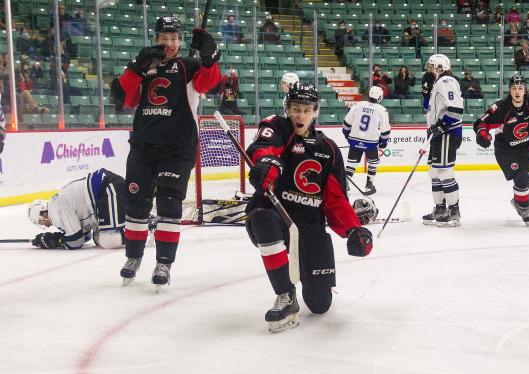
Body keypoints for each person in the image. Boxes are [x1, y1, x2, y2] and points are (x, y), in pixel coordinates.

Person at [245, 84, 372, 332]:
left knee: (319, 305)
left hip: (309, 223)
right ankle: (286, 296)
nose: (300, 115)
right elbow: (264, 148)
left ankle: (308, 286)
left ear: (315, 112)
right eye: (295, 109)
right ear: (287, 109)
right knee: (262, 218)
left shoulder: (328, 149)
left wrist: (353, 230)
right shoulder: (276, 126)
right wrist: (267, 163)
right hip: (277, 212)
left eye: (306, 110)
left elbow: (335, 199)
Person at [110, 16, 221, 287]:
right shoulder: (144, 65)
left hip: (178, 146)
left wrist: (209, 58)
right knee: (136, 202)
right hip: (144, 145)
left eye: (174, 39)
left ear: (181, 41)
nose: (169, 44)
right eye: (164, 38)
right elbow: (123, 97)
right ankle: (133, 257)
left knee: (169, 204)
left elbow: (210, 84)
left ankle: (163, 263)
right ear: (156, 39)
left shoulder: (189, 66)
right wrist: (136, 66)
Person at [473, 75, 529, 226]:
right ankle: (524, 209)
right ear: (510, 90)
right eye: (514, 88)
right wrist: (482, 133)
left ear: (525, 90)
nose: (517, 92)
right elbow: (482, 122)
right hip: (505, 149)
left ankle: (517, 201)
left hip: (525, 148)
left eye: (520, 88)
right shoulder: (501, 107)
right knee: (522, 178)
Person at [27, 169, 133, 250]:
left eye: (40, 221)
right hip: (106, 188)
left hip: (107, 188)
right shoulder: (55, 205)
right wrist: (59, 238)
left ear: (42, 214)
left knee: (108, 240)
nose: (44, 225)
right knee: (98, 238)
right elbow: (85, 236)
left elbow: (75, 242)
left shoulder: (56, 210)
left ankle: (145, 226)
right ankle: (137, 222)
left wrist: (53, 240)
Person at [422, 54, 464, 227]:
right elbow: (428, 108)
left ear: (439, 67)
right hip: (438, 134)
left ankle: (454, 212)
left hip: (447, 133)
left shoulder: (446, 81)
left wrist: (442, 126)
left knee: (445, 172)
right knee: (434, 172)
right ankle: (440, 208)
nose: (429, 69)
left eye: (431, 66)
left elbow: (456, 109)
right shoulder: (437, 83)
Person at [342, 86, 391, 195]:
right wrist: (383, 142)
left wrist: (347, 135)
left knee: (351, 164)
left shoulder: (358, 105)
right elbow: (385, 130)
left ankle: (345, 184)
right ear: (379, 97)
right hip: (371, 142)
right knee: (373, 163)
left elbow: (346, 123)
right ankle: (369, 183)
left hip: (354, 140)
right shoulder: (381, 110)